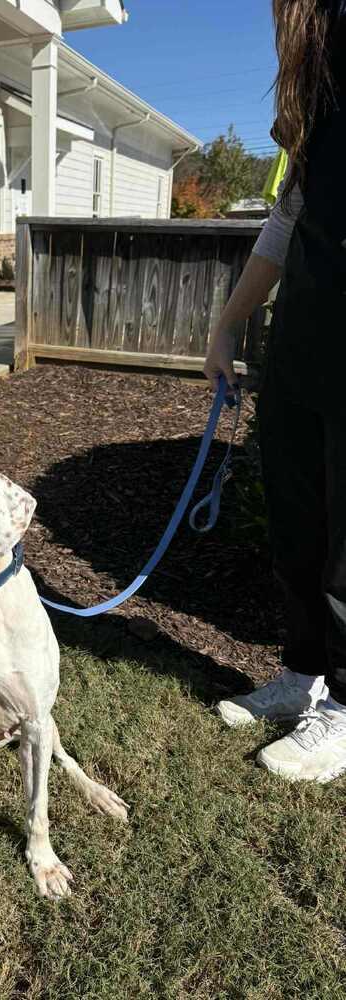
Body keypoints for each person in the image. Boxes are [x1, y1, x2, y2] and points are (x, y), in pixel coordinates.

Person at [205, 0, 346, 782]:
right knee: (299, 521)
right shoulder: (312, 58)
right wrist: (228, 325)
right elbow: (290, 212)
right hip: (303, 337)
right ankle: (301, 675)